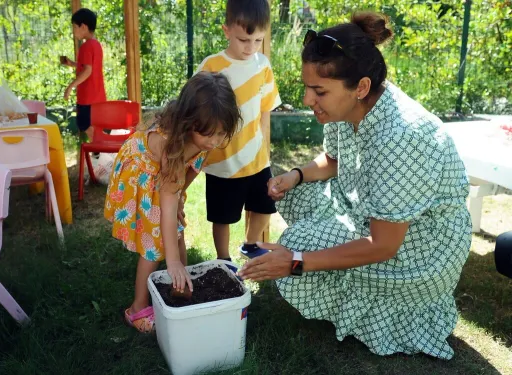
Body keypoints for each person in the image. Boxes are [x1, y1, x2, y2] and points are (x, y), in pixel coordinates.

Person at [238, 12, 472, 359]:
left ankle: (328, 267)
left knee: (297, 244)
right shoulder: (348, 107)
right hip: (368, 212)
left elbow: (383, 245)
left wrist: (297, 261)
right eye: (307, 88)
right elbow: (334, 160)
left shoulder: (401, 138)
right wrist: (296, 175)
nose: (306, 100)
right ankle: (326, 251)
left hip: (421, 248)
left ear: (360, 87)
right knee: (293, 194)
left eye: (318, 91)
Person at [104, 72, 240, 333]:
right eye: (209, 134)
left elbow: (192, 170)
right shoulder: (172, 145)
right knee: (154, 244)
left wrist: (179, 200)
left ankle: (180, 283)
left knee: (176, 235)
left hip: (168, 179)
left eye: (221, 133)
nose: (214, 141)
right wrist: (172, 259)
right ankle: (137, 309)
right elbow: (165, 208)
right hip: (142, 174)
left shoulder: (207, 132)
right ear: (189, 123)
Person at [196, 0, 282, 261]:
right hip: (223, 160)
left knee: (266, 206)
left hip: (257, 158)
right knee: (223, 217)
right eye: (244, 39)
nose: (251, 47)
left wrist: (265, 150)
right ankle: (223, 259)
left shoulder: (263, 65)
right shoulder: (211, 66)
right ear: (226, 31)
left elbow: (265, 111)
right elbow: (196, 109)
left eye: (258, 40)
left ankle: (251, 244)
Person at [62, 8, 107, 142]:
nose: (73, 31)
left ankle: (101, 146)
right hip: (98, 96)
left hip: (87, 97)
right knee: (93, 125)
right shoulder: (96, 45)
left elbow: (88, 70)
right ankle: (98, 152)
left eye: (75, 27)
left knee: (83, 122)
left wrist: (70, 86)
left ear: (84, 27)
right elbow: (88, 66)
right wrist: (73, 64)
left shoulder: (86, 46)